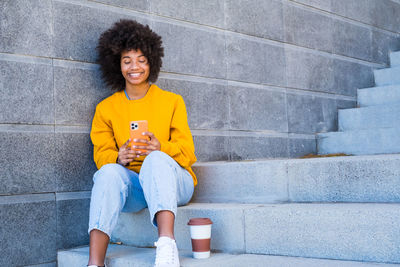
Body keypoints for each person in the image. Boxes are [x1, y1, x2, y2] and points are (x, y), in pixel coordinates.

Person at [87, 19, 197, 267]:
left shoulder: (172, 101)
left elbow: (188, 153)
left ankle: (167, 248)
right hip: (136, 188)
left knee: (156, 160)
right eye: (127, 61)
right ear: (117, 65)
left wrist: (161, 148)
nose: (134, 67)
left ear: (152, 63)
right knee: (107, 173)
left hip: (175, 181)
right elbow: (101, 153)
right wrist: (118, 157)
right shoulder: (106, 109)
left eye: (141, 60)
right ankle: (95, 263)